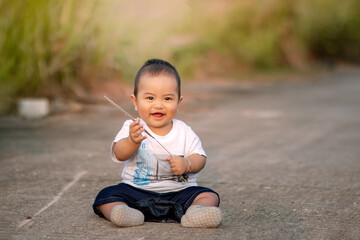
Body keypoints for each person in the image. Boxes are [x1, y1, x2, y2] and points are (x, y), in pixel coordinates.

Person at [93, 59, 222, 228]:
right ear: (135, 102)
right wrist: (132, 141)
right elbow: (119, 153)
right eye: (150, 98)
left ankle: (195, 212)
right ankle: (124, 213)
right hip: (136, 193)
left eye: (167, 98)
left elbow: (200, 158)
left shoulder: (184, 131)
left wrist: (188, 164)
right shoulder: (133, 128)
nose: (159, 105)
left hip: (179, 193)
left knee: (209, 196)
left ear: (179, 102)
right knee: (106, 195)